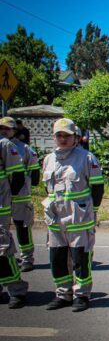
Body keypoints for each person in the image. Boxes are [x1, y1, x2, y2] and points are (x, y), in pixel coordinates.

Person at [43, 118, 104, 312]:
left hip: (79, 217)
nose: (63, 139)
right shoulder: (48, 159)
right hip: (55, 218)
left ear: (75, 137)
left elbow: (98, 188)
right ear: (54, 137)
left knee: (80, 259)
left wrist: (93, 212)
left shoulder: (86, 158)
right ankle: (63, 293)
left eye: (67, 136)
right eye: (59, 135)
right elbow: (47, 189)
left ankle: (81, 295)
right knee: (57, 258)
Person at [0, 117, 40, 272]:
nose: (4, 131)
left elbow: (35, 173)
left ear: (14, 131)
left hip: (20, 196)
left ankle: (27, 258)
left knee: (22, 228)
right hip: (4, 198)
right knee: (3, 231)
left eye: (7, 129)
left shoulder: (25, 149)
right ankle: (8, 258)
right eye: (1, 128)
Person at [0, 128, 29, 309]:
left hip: (0, 204)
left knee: (3, 249)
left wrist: (9, 200)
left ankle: (17, 290)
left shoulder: (3, 144)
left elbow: (17, 176)